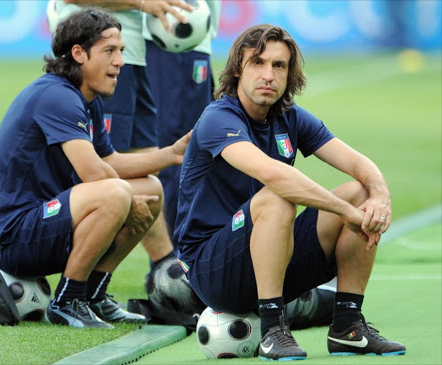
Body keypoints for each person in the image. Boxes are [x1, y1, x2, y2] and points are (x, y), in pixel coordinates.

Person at [174, 24, 406, 360]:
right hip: (213, 270)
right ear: (239, 68)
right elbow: (275, 176)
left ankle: (348, 327)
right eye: (258, 63)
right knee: (278, 196)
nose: (268, 74)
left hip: (271, 256)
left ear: (289, 73)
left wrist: (379, 196)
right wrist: (347, 214)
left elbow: (359, 164)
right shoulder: (218, 118)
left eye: (278, 65)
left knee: (359, 191)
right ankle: (272, 329)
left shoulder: (290, 117)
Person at [0, 9, 190, 329]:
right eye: (110, 51)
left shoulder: (87, 98)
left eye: (121, 51)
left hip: (48, 222)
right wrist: (126, 204)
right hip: (14, 237)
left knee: (149, 189)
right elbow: (95, 174)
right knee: (115, 193)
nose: (120, 61)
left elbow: (109, 162)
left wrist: (172, 154)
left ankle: (93, 295)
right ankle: (67, 301)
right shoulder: (57, 96)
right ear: (79, 54)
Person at [46, 0, 193, 275]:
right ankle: (79, 284)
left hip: (134, 58)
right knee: (104, 180)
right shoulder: (70, 89)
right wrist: (142, 3)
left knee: (148, 181)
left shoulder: (122, 57)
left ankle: (165, 271)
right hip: (99, 59)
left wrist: (173, 153)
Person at [143, 0, 222, 237]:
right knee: (180, 151)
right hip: (175, 35)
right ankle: (174, 261)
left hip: (188, 35)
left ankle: (176, 258)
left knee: (195, 148)